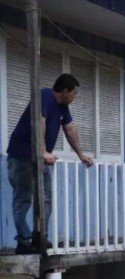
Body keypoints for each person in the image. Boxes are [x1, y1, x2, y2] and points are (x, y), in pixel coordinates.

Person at [6, 73, 94, 254]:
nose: (75, 97)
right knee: (23, 199)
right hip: (21, 157)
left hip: (41, 159)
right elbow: (39, 122)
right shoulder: (45, 96)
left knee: (46, 198)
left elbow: (70, 129)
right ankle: (23, 242)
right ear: (64, 91)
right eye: (74, 93)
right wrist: (43, 152)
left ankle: (40, 235)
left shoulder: (63, 107)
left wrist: (81, 155)